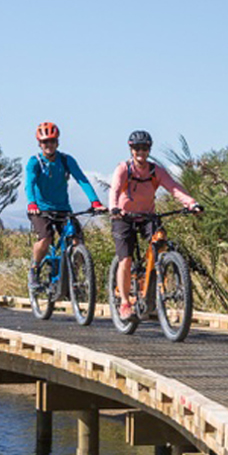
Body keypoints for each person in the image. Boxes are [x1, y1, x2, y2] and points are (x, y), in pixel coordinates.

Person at [109, 129, 200, 320]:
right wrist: (114, 208)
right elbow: (115, 189)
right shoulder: (124, 169)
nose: (141, 152)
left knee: (161, 241)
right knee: (125, 259)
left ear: (149, 150)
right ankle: (125, 303)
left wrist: (191, 203)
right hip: (123, 218)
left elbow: (173, 188)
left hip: (147, 217)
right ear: (131, 149)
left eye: (144, 148)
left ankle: (153, 292)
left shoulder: (155, 171)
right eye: (137, 148)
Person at [23, 120, 103, 290]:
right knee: (45, 239)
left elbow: (82, 180)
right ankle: (34, 269)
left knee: (77, 241)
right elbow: (29, 184)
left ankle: (74, 277)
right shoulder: (35, 162)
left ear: (57, 142)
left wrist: (95, 201)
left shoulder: (66, 160)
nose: (49, 145)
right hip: (40, 209)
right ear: (39, 143)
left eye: (52, 141)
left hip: (63, 209)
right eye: (45, 142)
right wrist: (32, 203)